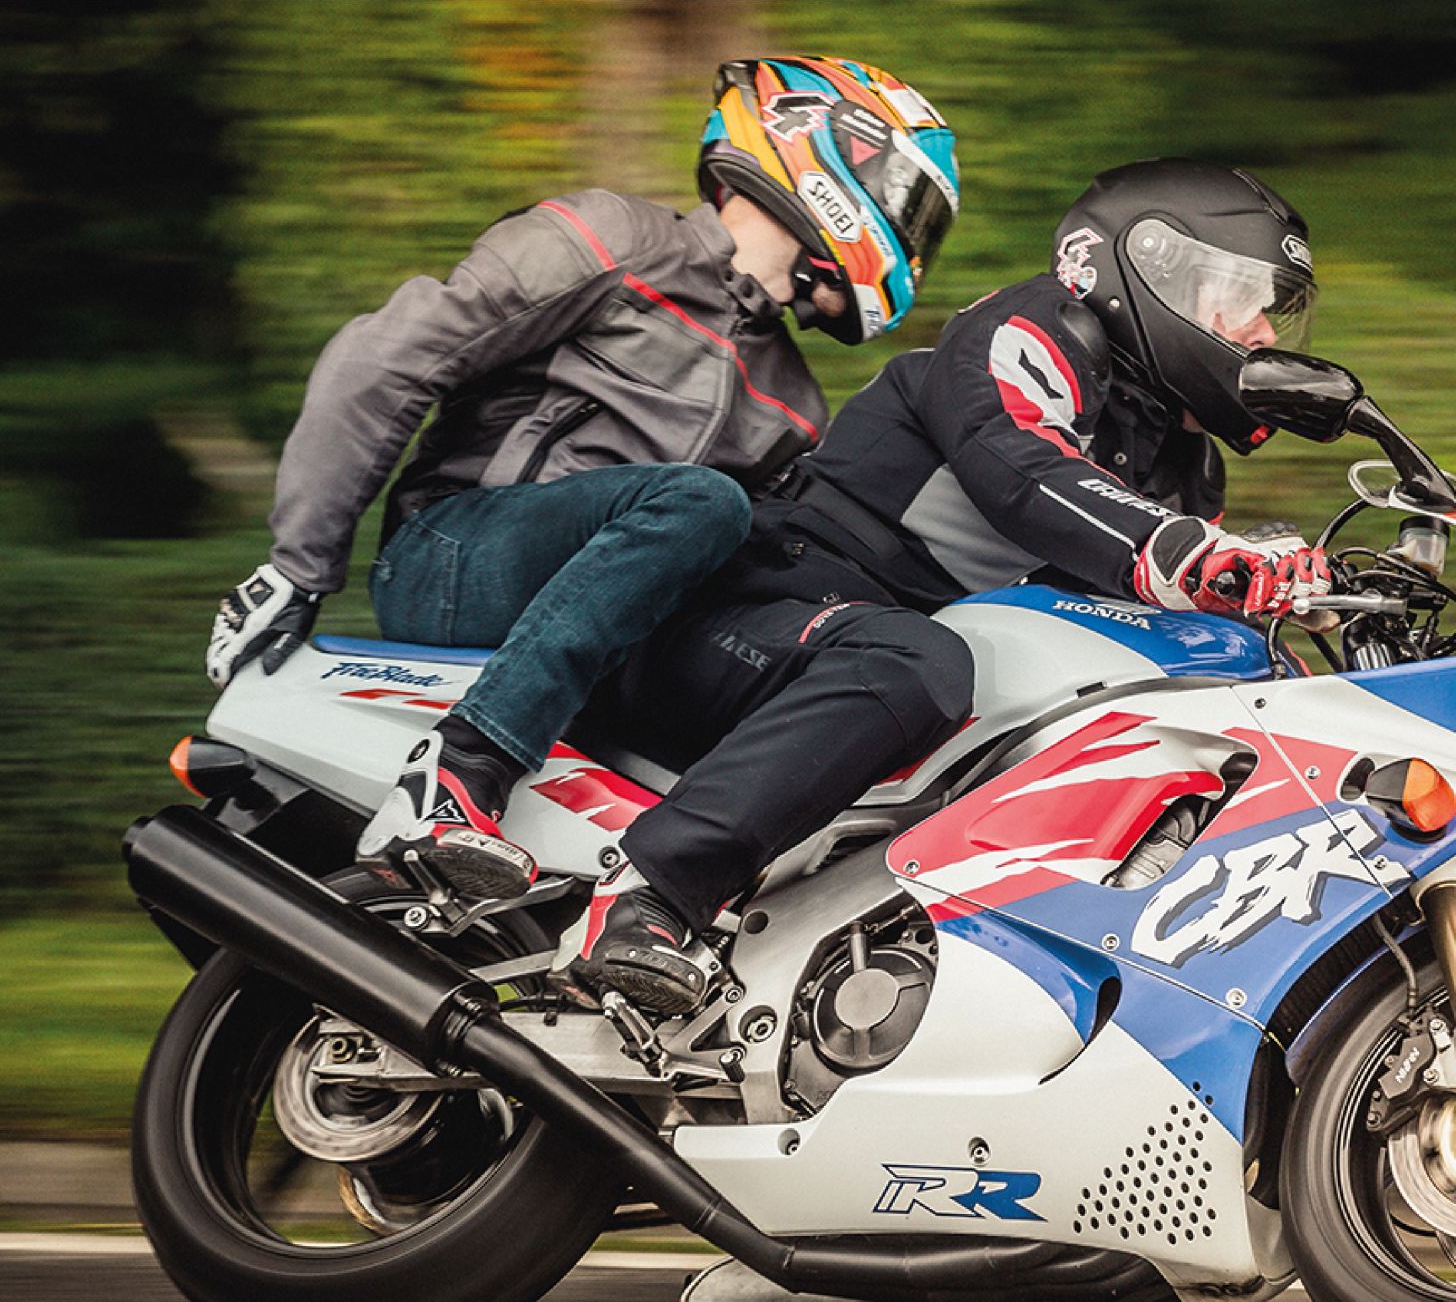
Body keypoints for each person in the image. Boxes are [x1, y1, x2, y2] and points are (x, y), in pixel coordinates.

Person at [566, 158, 1334, 1016]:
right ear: (1152, 272)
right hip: (747, 616)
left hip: (867, 685)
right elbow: (1020, 465)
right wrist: (1188, 553)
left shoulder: (1184, 466)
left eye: (1273, 308)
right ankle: (647, 895)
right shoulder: (1034, 330)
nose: (1261, 330)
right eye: (1240, 296)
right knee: (916, 660)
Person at [204, 57, 960, 901]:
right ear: (819, 148)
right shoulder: (614, 238)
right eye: (908, 203)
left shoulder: (795, 402)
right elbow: (382, 362)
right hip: (451, 556)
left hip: (614, 627)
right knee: (700, 501)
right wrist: (299, 565)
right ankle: (456, 777)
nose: (912, 237)